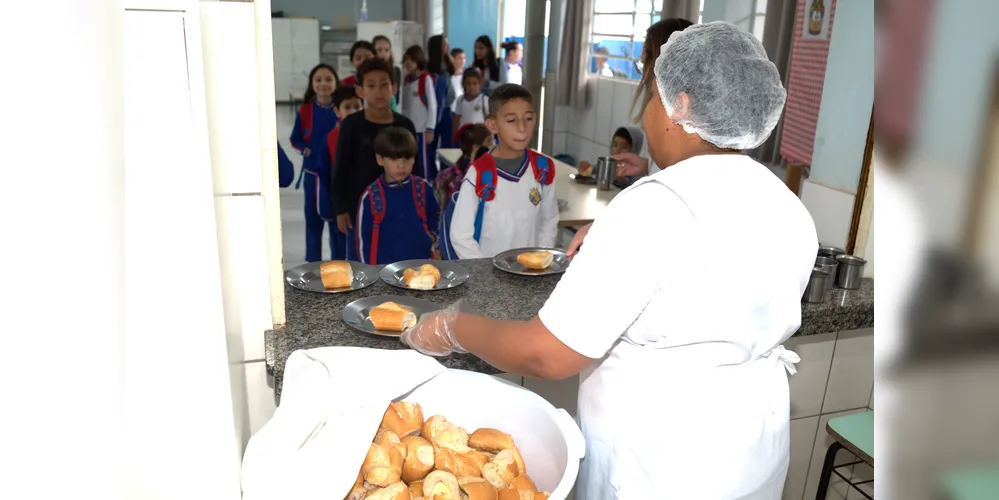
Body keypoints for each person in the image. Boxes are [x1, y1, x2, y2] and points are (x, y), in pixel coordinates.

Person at [401, 21, 816, 499]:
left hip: (661, 465)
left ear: (680, 105)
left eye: (652, 97)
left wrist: (455, 327)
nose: (644, 117)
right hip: (749, 456)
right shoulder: (784, 203)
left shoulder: (655, 206)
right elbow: (712, 268)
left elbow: (547, 352)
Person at [567, 17, 694, 256]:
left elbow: (675, 191)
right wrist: (648, 166)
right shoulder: (671, 113)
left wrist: (612, 226)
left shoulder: (677, 116)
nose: (641, 65)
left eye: (645, 58)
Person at [445, 84, 558, 259]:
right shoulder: (480, 173)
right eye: (511, 120)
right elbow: (460, 235)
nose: (521, 127)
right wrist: (485, 273)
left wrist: (541, 259)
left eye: (528, 118)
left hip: (530, 274)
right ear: (492, 125)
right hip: (491, 275)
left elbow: (548, 221)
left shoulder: (543, 169)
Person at [329, 58, 418, 261]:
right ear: (361, 91)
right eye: (371, 85)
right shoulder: (351, 125)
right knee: (361, 260)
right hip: (358, 208)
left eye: (384, 84)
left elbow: (417, 169)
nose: (378, 91)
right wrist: (341, 208)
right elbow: (340, 169)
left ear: (394, 87)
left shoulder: (406, 125)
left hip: (398, 207)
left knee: (395, 259)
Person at [355, 127, 440, 264]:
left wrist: (432, 236)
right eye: (394, 159)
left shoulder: (424, 188)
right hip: (385, 272)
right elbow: (363, 241)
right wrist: (369, 273)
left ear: (414, 159)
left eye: (407, 158)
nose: (401, 165)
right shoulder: (370, 197)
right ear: (380, 159)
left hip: (421, 267)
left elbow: (435, 216)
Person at [289, 63, 340, 262]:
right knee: (313, 220)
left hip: (336, 176)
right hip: (312, 175)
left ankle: (340, 262)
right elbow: (295, 139)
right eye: (318, 80)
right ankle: (313, 265)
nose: (323, 84)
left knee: (337, 222)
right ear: (312, 84)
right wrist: (305, 150)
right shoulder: (306, 110)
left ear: (336, 82)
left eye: (328, 79)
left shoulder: (341, 109)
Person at [313, 85, 363, 259]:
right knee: (340, 253)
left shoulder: (371, 135)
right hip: (341, 209)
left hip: (367, 207)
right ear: (337, 111)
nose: (352, 111)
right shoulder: (332, 138)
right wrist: (331, 210)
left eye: (357, 106)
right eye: (347, 107)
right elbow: (325, 176)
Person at [401, 45, 439, 181]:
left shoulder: (425, 79)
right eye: (406, 59)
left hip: (422, 129)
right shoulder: (405, 80)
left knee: (423, 162)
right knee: (410, 160)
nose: (408, 63)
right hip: (408, 128)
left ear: (418, 61)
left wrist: (430, 128)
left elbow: (433, 106)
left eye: (411, 60)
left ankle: (426, 186)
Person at [434, 123, 492, 209]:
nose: (494, 146)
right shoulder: (468, 178)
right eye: (489, 142)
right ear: (475, 148)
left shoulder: (448, 175)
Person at [577, 126, 645, 186]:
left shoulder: (639, 174)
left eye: (624, 147)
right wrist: (588, 168)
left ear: (635, 149)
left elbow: (634, 192)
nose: (617, 151)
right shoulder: (611, 164)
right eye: (615, 145)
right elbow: (597, 170)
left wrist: (622, 181)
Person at [427, 35, 457, 150]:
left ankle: (448, 168)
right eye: (444, 44)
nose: (447, 46)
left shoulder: (447, 62)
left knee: (448, 144)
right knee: (432, 144)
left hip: (447, 109)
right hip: (436, 109)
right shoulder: (430, 68)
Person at [452, 68, 488, 134]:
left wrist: (490, 136)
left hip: (480, 136)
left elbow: (488, 119)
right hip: (464, 136)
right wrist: (454, 134)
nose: (471, 87)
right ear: (464, 84)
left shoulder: (484, 99)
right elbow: (457, 119)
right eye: (468, 84)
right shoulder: (460, 100)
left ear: (480, 84)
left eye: (474, 84)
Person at [372, 35, 402, 112]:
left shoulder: (396, 71)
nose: (383, 54)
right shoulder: (368, 72)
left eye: (386, 50)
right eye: (379, 50)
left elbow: (396, 98)